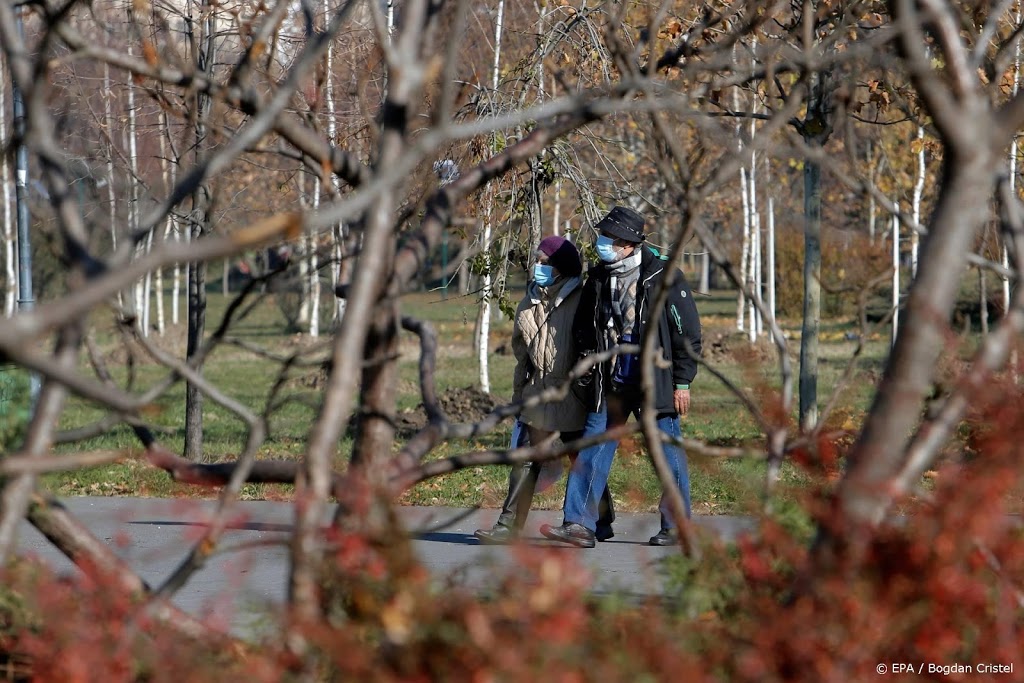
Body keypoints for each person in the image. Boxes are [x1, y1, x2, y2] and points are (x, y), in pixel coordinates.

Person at [540, 205, 702, 548]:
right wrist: (586, 359)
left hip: (653, 382)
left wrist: (682, 382)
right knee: (593, 448)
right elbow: (585, 325)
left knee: (666, 453)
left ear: (629, 244)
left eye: (611, 239)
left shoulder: (663, 275)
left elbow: (686, 331)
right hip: (609, 380)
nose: (603, 243)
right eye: (603, 236)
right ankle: (578, 524)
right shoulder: (599, 277)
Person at [475, 236, 615, 544]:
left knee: (582, 459)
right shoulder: (530, 300)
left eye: (543, 261)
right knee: (527, 458)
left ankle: (601, 520)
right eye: (535, 261)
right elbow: (521, 355)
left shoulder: (582, 297)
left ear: (561, 267)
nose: (536, 267)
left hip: (573, 395)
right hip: (537, 393)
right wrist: (517, 397)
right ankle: (507, 525)